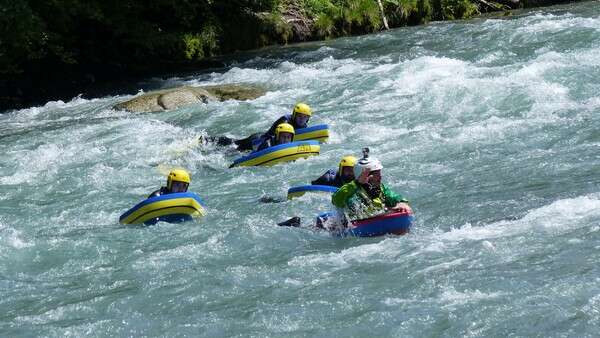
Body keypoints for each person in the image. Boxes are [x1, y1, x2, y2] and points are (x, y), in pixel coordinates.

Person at [331, 157, 412, 222]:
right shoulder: (353, 191)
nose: (380, 177)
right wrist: (357, 183)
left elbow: (394, 196)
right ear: (366, 176)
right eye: (376, 174)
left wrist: (401, 202)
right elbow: (336, 200)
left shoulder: (381, 188)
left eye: (379, 173)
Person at [204, 103, 312, 151]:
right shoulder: (285, 121)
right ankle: (208, 140)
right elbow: (279, 137)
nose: (302, 119)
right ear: (294, 115)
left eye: (305, 117)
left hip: (263, 138)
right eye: (299, 116)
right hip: (260, 140)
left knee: (236, 144)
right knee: (235, 145)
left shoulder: (304, 125)